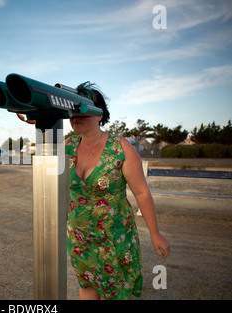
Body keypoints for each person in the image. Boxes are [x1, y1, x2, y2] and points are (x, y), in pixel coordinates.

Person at [17, 81, 170, 300]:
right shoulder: (67, 145)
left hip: (114, 237)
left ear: (99, 115)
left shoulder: (119, 147)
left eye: (82, 112)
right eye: (72, 113)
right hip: (81, 237)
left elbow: (142, 193)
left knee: (115, 292)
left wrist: (155, 234)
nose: (75, 118)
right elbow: (45, 161)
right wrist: (43, 119)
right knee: (87, 286)